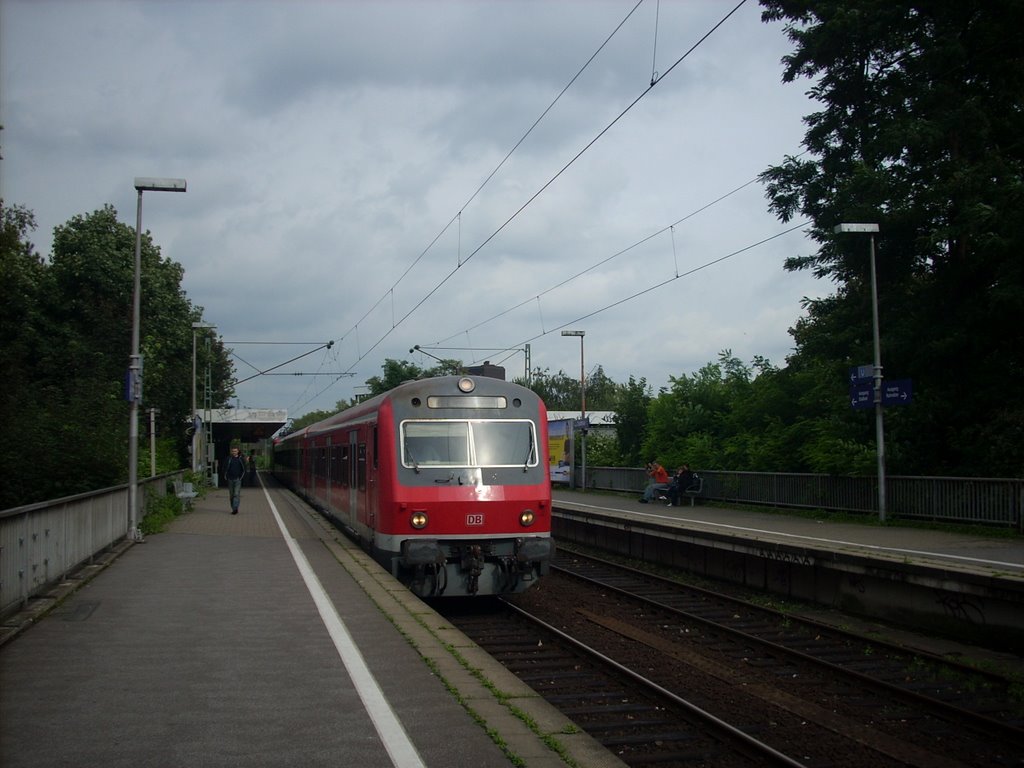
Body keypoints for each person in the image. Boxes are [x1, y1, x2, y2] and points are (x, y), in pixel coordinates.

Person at [224, 446, 247, 515]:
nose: (234, 452)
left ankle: (235, 508)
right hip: (230, 479)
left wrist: (240, 478)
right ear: (231, 452)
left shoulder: (241, 459)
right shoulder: (228, 459)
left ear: (238, 451)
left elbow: (244, 469)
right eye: (233, 451)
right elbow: (224, 468)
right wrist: (225, 476)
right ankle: (233, 507)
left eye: (235, 451)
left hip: (237, 479)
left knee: (236, 494)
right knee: (231, 495)